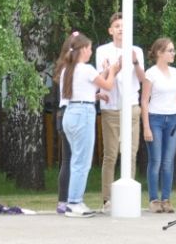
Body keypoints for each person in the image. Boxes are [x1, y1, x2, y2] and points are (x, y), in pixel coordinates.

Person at [60, 33, 120, 217]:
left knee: (76, 159)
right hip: (83, 115)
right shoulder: (86, 69)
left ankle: (73, 200)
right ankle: (74, 202)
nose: (91, 51)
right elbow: (108, 85)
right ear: (83, 50)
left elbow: (87, 87)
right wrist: (113, 71)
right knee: (82, 162)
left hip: (70, 113)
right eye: (89, 48)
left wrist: (104, 74)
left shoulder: (67, 70)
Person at [94, 12, 145, 212]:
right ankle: (107, 199)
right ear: (111, 30)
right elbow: (100, 77)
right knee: (110, 155)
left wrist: (134, 62)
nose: (121, 29)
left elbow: (141, 79)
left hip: (131, 105)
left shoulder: (136, 50)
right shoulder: (102, 51)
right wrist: (112, 68)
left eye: (124, 26)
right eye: (117, 26)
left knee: (130, 153)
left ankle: (129, 195)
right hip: (111, 107)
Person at [141, 37, 176, 214]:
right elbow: (144, 101)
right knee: (156, 160)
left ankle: (166, 199)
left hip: (173, 118)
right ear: (159, 53)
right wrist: (146, 126)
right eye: (170, 50)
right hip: (155, 118)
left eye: (173, 50)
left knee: (168, 161)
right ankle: (153, 199)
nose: (173, 53)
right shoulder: (151, 73)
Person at [52, 31, 82, 215]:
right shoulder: (76, 69)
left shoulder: (61, 68)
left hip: (62, 114)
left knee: (67, 160)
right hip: (73, 113)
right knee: (75, 160)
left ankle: (62, 201)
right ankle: (73, 199)